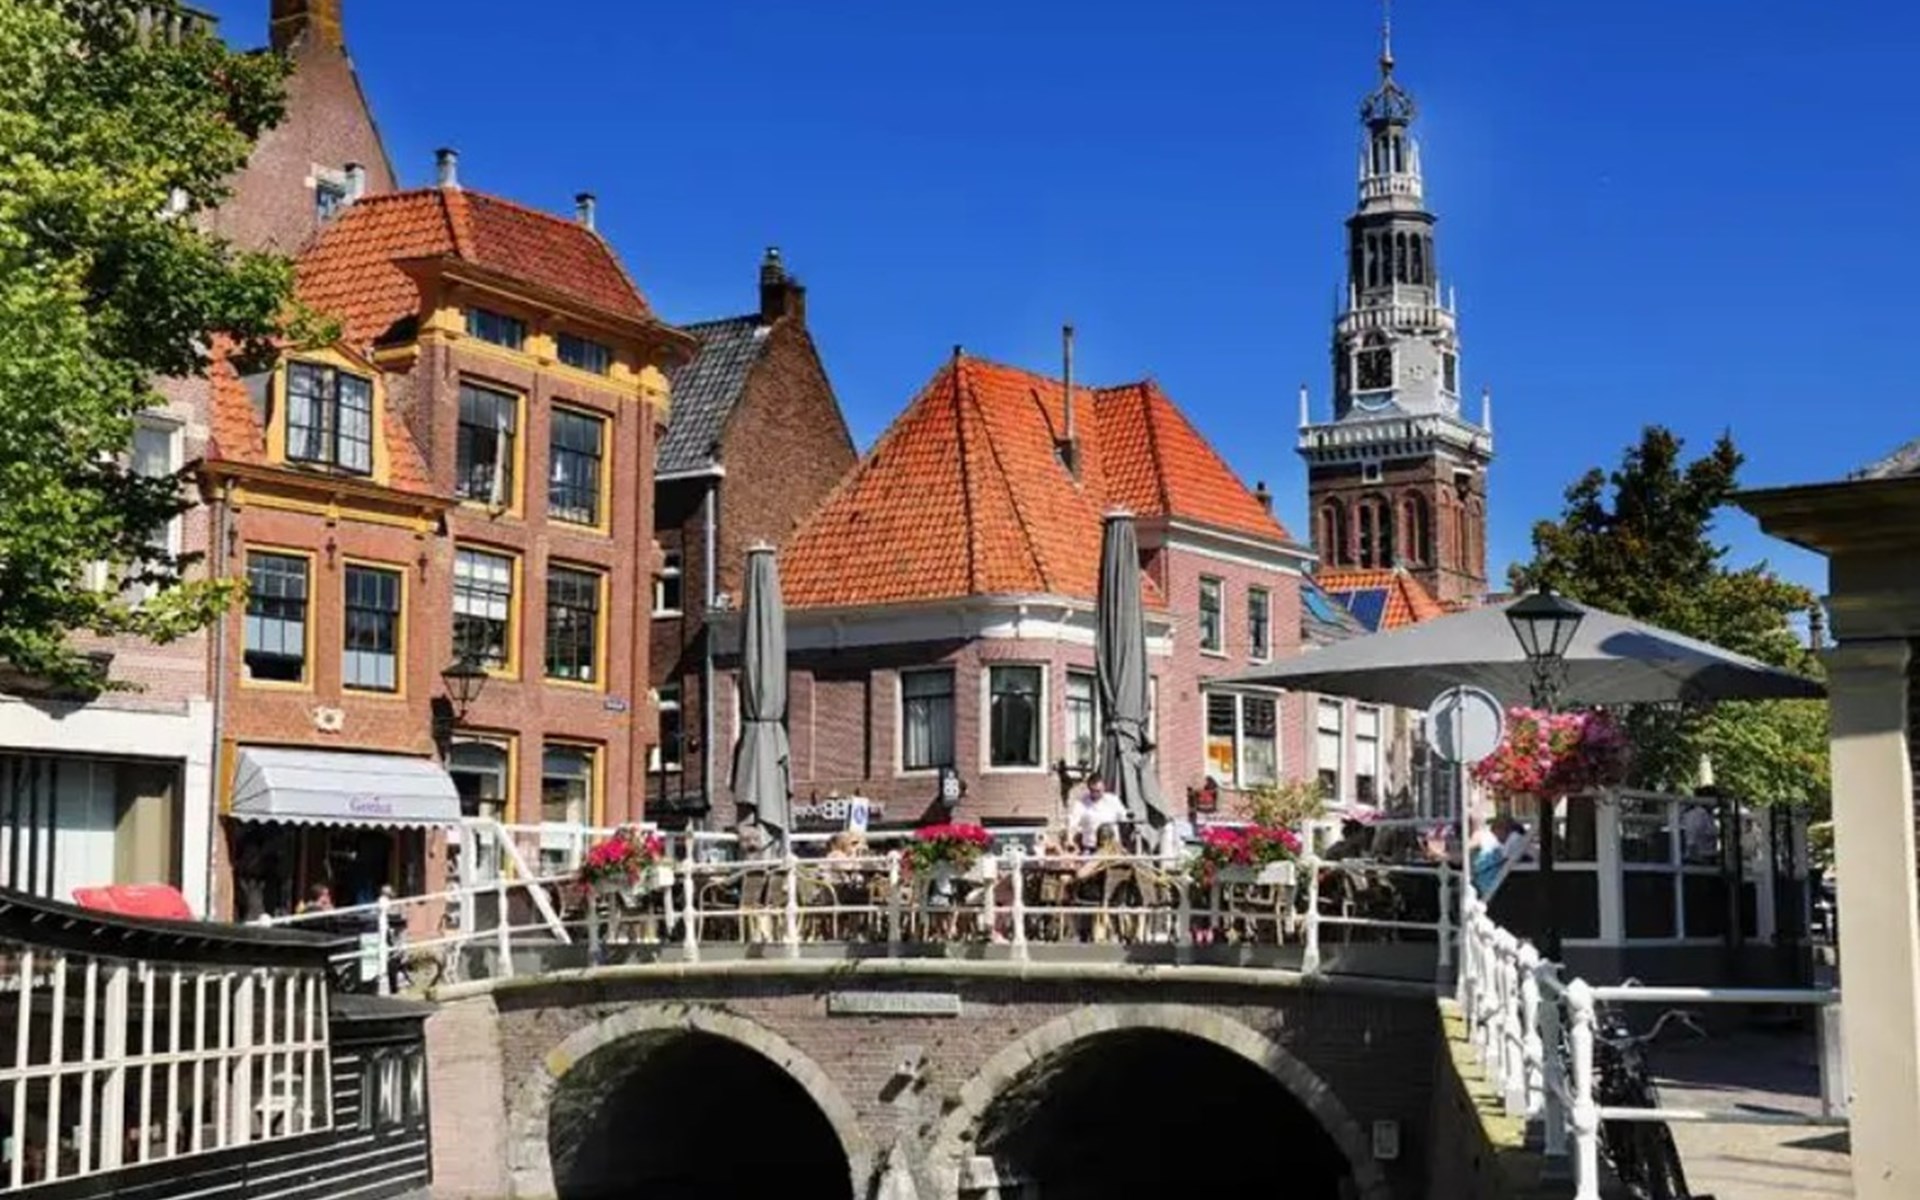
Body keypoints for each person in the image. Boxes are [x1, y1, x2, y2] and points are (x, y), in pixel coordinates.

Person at [1068, 773, 1126, 853]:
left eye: (1099, 791)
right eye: (1093, 791)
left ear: (1104, 787)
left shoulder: (1113, 801)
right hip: (1091, 848)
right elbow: (1072, 823)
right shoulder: (1081, 803)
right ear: (1089, 789)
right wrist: (1070, 839)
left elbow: (1124, 818)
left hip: (1111, 847)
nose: (1096, 794)